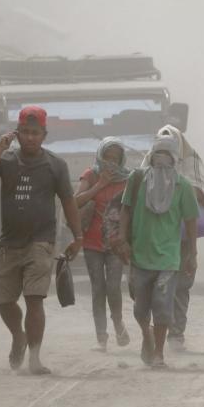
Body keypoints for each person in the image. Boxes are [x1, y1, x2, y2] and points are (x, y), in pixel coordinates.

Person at [0, 105, 83, 375]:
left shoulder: (56, 165)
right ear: (17, 133)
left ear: (44, 135)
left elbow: (68, 202)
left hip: (41, 243)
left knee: (35, 299)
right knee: (5, 301)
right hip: (9, 244)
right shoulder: (7, 160)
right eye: (25, 132)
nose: (30, 137)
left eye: (35, 132)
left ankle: (34, 358)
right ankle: (17, 336)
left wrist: (78, 236)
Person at [115, 135, 198, 369]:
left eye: (167, 157)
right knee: (140, 309)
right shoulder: (137, 179)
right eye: (157, 156)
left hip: (169, 258)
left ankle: (159, 353)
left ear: (174, 160)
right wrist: (122, 238)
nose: (161, 161)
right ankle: (146, 334)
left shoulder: (183, 186)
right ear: (150, 158)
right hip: (140, 256)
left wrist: (192, 253)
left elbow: (191, 221)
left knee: (162, 305)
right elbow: (126, 209)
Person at [152, 124, 204, 351]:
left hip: (184, 237)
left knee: (181, 286)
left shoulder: (191, 162)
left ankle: (176, 334)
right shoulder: (147, 168)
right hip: (156, 237)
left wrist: (175, 183)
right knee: (156, 286)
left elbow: (201, 193)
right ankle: (157, 335)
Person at [74, 138, 132, 351]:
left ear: (121, 159)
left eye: (115, 158)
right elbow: (76, 201)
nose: (110, 162)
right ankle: (101, 338)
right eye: (107, 157)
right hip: (92, 242)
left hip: (116, 242)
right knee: (98, 288)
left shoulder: (128, 179)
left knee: (113, 287)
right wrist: (100, 185)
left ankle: (118, 324)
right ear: (100, 156)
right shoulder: (90, 175)